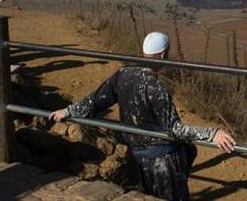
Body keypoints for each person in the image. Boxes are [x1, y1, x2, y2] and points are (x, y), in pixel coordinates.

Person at [49, 32, 236, 201]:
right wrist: (212, 134)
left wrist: (68, 111)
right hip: (163, 162)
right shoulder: (156, 86)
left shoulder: (122, 75)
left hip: (136, 159)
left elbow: (95, 100)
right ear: (163, 55)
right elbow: (174, 129)